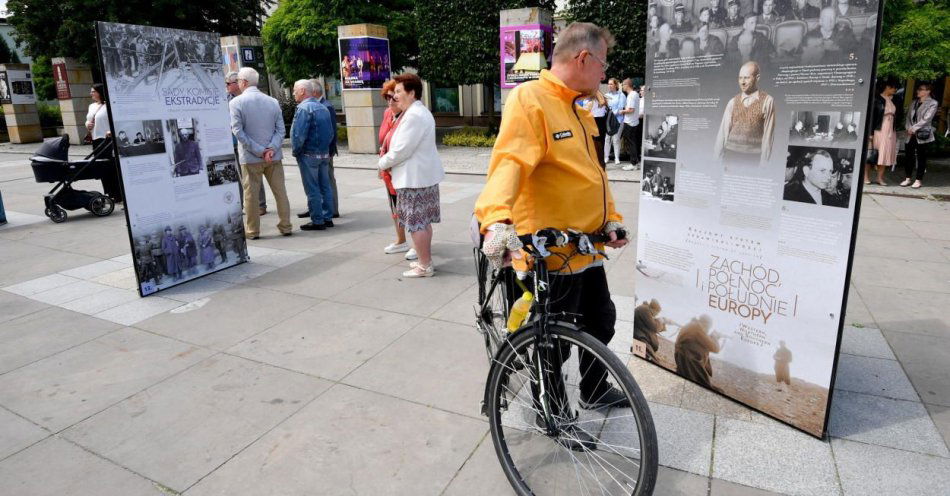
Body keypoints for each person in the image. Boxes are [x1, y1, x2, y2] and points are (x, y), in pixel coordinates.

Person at [475, 22, 630, 412]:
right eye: (602, 64)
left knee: (603, 320)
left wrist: (610, 218)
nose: (604, 74)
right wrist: (495, 219)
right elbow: (510, 161)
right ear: (583, 57)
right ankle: (554, 412)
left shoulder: (577, 107)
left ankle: (593, 390)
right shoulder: (532, 99)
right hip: (550, 253)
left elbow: (595, 172)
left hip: (586, 246)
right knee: (553, 342)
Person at [377, 73, 445, 278]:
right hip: (420, 176)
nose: (395, 96)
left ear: (412, 92)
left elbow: (401, 151)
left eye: (398, 92)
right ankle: (425, 261)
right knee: (423, 222)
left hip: (414, 179)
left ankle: (425, 265)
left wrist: (382, 163)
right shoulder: (416, 112)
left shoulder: (414, 115)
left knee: (417, 224)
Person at [229, 67, 292, 239]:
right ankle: (286, 226)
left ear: (243, 82)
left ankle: (253, 231)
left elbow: (238, 131)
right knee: (280, 192)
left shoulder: (236, 103)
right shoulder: (272, 101)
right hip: (273, 157)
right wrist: (270, 149)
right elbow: (281, 130)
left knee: (250, 196)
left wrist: (258, 150)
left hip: (250, 158)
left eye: (238, 81)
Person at [378, 80, 418, 261]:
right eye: (387, 97)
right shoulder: (389, 114)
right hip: (389, 169)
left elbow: (403, 148)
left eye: (394, 96)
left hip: (402, 170)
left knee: (409, 208)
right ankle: (401, 240)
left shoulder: (409, 116)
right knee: (395, 206)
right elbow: (383, 140)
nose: (391, 101)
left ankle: (417, 244)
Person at [290, 79, 335, 231]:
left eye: (295, 90)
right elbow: (330, 133)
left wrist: (296, 151)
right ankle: (327, 217)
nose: (293, 93)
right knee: (325, 186)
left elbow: (298, 135)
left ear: (302, 91)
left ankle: (317, 220)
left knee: (312, 189)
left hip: (308, 154)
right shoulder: (323, 107)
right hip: (323, 153)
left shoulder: (304, 108)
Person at [714, 61, 776, 165]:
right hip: (730, 156)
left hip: (753, 159)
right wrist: (716, 160)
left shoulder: (767, 101)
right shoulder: (733, 102)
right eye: (740, 78)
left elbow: (768, 136)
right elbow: (723, 133)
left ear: (757, 78)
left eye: (746, 78)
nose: (742, 82)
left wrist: (764, 164)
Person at [225, 71, 266, 216]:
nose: (227, 86)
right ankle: (243, 205)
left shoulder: (248, 99)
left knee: (254, 175)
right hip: (232, 143)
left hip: (250, 142)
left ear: (238, 83)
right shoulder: (226, 100)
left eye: (229, 84)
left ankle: (261, 205)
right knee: (237, 176)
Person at [85, 84, 123, 202]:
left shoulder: (110, 105)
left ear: (100, 92)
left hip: (108, 140)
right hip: (96, 140)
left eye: (93, 91)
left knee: (111, 167)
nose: (91, 93)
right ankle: (109, 193)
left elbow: (117, 121)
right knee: (102, 168)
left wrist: (111, 131)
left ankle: (118, 195)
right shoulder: (91, 106)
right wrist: (87, 124)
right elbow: (88, 120)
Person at [902, 83, 939, 189]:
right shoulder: (914, 102)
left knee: (921, 157)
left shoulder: (933, 103)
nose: (918, 91)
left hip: (922, 134)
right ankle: (907, 178)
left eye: (920, 89)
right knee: (908, 156)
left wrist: (914, 128)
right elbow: (908, 117)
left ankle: (918, 180)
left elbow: (927, 119)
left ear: (928, 91)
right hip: (910, 134)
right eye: (918, 89)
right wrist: (908, 128)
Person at [313, 80, 340, 218]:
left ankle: (333, 209)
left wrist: (329, 151)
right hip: (318, 152)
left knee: (328, 180)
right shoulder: (318, 105)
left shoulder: (326, 106)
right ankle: (318, 207)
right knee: (318, 181)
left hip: (326, 151)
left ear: (315, 92)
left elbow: (332, 131)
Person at [674, 315, 724, 389]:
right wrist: (715, 337)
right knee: (706, 387)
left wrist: (711, 337)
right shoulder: (697, 328)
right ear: (706, 324)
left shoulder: (693, 325)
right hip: (690, 361)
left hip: (684, 358)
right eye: (709, 327)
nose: (707, 330)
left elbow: (700, 341)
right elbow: (715, 348)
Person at [867, 79, 900, 186]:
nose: (895, 89)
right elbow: (872, 117)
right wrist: (870, 133)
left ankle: (879, 178)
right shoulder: (877, 99)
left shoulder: (894, 99)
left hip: (890, 131)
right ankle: (865, 177)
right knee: (872, 154)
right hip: (879, 130)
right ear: (887, 87)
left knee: (885, 155)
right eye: (893, 87)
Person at [583, 90, 609, 168]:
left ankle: (597, 164)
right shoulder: (601, 101)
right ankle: (600, 164)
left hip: (594, 122)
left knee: (595, 145)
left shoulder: (592, 101)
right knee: (599, 145)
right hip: (598, 123)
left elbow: (585, 112)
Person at [620, 79, 641, 171]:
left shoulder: (631, 95)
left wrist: (622, 111)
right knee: (633, 143)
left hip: (630, 123)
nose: (622, 86)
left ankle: (633, 163)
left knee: (631, 143)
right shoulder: (634, 94)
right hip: (634, 122)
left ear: (627, 85)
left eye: (623, 84)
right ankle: (635, 162)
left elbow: (631, 110)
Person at [603, 78, 625, 166]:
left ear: (616, 85)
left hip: (618, 120)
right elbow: (604, 108)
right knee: (607, 139)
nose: (609, 86)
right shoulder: (606, 95)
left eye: (611, 84)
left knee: (616, 139)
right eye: (608, 84)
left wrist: (612, 112)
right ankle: (606, 157)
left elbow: (621, 108)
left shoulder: (621, 95)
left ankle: (617, 158)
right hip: (608, 120)